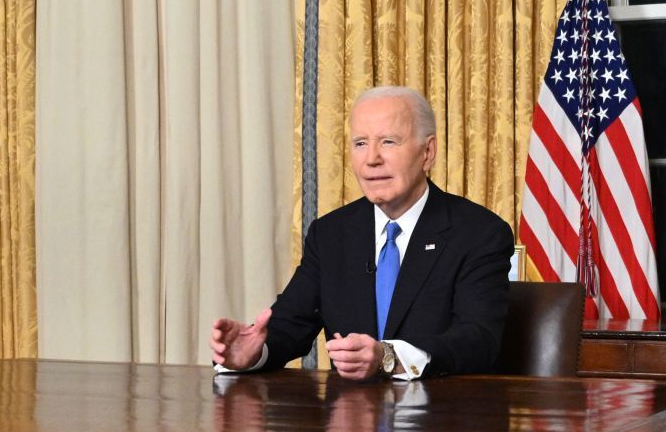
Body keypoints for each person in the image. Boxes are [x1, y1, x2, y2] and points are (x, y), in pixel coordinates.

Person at [212, 86, 512, 380]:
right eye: (360, 143)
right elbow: (291, 325)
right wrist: (252, 353)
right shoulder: (331, 234)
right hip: (350, 420)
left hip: (442, 419)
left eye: (389, 142)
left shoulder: (480, 233)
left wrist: (388, 357)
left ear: (427, 152)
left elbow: (478, 340)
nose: (371, 159)